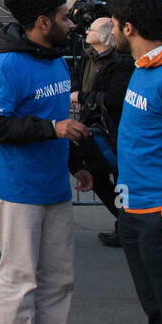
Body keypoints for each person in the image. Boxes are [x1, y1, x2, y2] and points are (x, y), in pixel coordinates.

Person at [0, 0, 92, 324]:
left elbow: (58, 120)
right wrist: (52, 130)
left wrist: (76, 163)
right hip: (16, 185)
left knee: (59, 278)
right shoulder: (5, 65)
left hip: (53, 182)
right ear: (42, 22)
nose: (72, 23)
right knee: (21, 277)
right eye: (63, 16)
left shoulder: (56, 59)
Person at [109, 0, 162, 324]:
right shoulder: (143, 66)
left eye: (114, 26)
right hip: (134, 213)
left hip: (158, 219)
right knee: (159, 319)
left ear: (128, 28)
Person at [70, 16, 134, 247]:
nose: (87, 31)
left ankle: (126, 227)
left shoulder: (121, 62)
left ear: (106, 34)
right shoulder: (88, 56)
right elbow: (76, 76)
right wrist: (77, 93)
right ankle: (124, 223)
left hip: (111, 127)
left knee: (119, 178)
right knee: (96, 176)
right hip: (92, 126)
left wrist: (84, 97)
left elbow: (116, 97)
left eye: (93, 29)